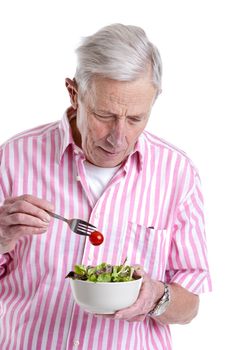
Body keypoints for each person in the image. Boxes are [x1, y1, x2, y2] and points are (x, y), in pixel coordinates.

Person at [0, 23, 211, 350]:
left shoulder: (177, 173)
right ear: (74, 94)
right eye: (105, 115)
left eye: (135, 119)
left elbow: (190, 307)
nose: (119, 137)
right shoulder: (13, 157)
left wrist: (157, 297)